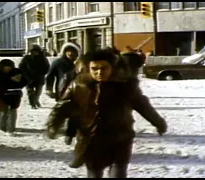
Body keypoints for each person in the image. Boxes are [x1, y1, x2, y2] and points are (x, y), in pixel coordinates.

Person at [46, 49, 167, 178]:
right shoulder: (79, 86)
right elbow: (61, 107)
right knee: (94, 173)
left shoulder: (125, 86)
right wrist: (53, 125)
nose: (99, 72)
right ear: (89, 68)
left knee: (118, 173)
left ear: (112, 67)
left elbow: (143, 106)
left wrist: (159, 123)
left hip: (120, 137)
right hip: (91, 139)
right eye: (94, 69)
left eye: (104, 68)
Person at [45, 42, 82, 145]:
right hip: (62, 92)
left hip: (78, 92)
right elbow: (50, 76)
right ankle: (53, 128)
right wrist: (49, 88)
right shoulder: (58, 62)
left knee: (75, 115)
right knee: (60, 111)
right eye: (68, 51)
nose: (70, 53)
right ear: (65, 51)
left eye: (73, 51)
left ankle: (70, 134)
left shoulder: (80, 63)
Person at [0, 59, 28, 136]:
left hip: (14, 94)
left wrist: (18, 84)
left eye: (9, 67)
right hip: (1, 94)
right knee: (3, 111)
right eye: (5, 67)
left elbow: (25, 81)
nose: (7, 69)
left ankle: (11, 128)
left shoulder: (17, 72)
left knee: (12, 111)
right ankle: (3, 127)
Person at [19, 44, 50, 109]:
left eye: (36, 51)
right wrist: (25, 75)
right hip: (28, 78)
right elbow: (21, 67)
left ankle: (36, 100)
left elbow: (47, 67)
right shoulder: (27, 58)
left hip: (40, 78)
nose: (35, 53)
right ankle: (32, 104)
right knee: (30, 92)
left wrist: (43, 73)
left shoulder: (43, 58)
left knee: (38, 92)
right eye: (33, 51)